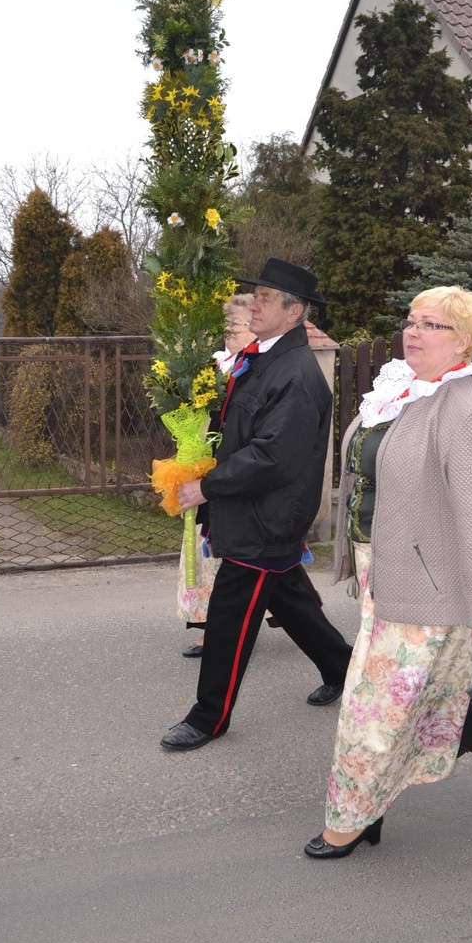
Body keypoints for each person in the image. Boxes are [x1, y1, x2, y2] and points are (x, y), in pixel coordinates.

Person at [304, 285, 472, 859]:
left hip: (430, 589)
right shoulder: (402, 391)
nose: (412, 331)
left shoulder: (468, 410)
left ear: (464, 343)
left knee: (374, 707)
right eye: (411, 320)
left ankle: (349, 818)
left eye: (430, 324)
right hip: (386, 573)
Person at [160, 258, 353, 751]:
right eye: (256, 295)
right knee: (289, 599)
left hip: (265, 516)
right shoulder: (262, 356)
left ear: (295, 312)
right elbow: (242, 430)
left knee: (229, 616)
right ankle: (344, 668)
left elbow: (273, 456)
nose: (255, 305)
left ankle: (209, 717)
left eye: (266, 298)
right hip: (256, 511)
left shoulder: (296, 373)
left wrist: (209, 486)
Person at [178, 294, 256, 658]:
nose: (229, 333)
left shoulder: (255, 369)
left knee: (231, 556)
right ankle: (216, 624)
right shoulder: (219, 366)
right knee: (211, 552)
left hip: (236, 474)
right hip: (209, 470)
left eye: (235, 326)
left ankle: (225, 631)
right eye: (225, 327)